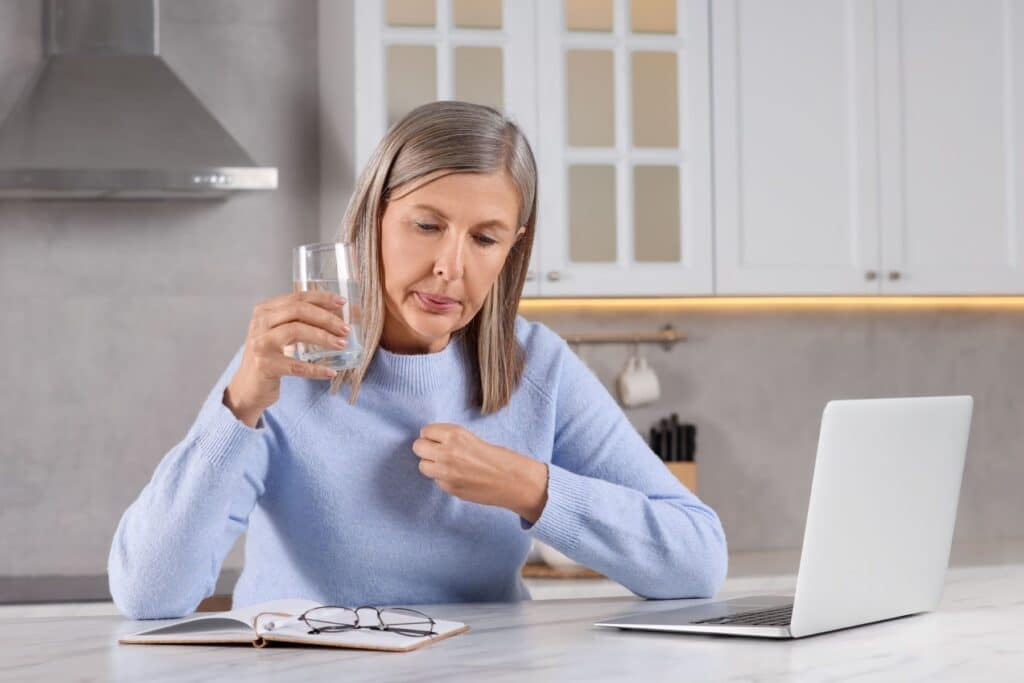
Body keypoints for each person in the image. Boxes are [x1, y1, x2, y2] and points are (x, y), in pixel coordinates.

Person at [108, 100, 728, 619]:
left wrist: (527, 487)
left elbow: (698, 560)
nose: (450, 267)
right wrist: (239, 405)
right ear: (372, 220)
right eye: (426, 225)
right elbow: (149, 595)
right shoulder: (289, 366)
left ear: (512, 251)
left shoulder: (538, 366)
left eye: (484, 238)